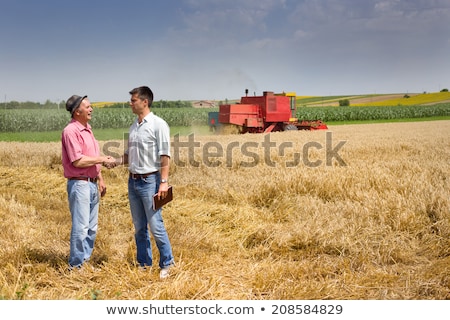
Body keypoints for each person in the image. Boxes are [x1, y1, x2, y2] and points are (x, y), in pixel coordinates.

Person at [110, 86, 174, 279]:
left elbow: (165, 155)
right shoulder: (134, 127)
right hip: (133, 181)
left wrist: (163, 182)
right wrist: (117, 162)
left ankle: (167, 264)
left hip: (150, 181)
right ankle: (144, 263)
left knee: (155, 225)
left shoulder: (158, 124)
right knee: (139, 227)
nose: (130, 103)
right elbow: (130, 155)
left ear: (144, 102)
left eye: (133, 100)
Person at [61, 95, 115, 270]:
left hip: (91, 183)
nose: (91, 109)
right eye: (88, 107)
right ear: (77, 111)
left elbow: (90, 157)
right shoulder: (71, 131)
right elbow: (77, 161)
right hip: (80, 184)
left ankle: (84, 261)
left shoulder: (88, 129)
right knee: (81, 227)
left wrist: (100, 178)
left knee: (92, 228)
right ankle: (75, 266)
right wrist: (101, 158)